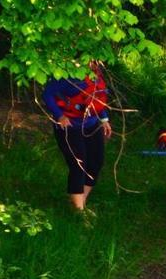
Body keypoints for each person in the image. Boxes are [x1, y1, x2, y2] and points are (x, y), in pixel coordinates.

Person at [43, 60, 113, 212]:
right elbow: (47, 94)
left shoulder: (96, 75)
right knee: (79, 165)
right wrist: (60, 116)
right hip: (70, 126)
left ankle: (82, 201)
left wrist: (104, 119)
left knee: (96, 162)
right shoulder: (67, 76)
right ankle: (78, 213)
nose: (98, 64)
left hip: (91, 124)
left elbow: (96, 98)